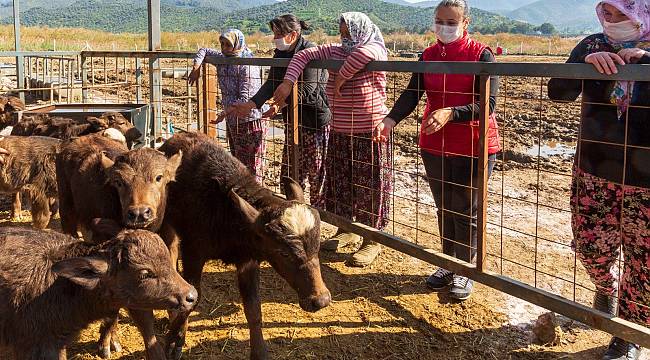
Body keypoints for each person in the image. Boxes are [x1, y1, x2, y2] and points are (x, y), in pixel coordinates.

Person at [374, 0, 500, 301]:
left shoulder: (482, 55)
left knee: (465, 210)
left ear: (465, 23)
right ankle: (447, 263)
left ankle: (465, 269)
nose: (444, 27)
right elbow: (413, 93)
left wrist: (450, 112)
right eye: (439, 21)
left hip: (473, 144)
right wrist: (390, 119)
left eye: (451, 22)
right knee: (444, 206)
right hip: (435, 144)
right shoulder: (427, 55)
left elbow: (488, 104)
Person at [548, 1, 650, 358]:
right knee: (591, 247)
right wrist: (581, 66)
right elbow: (557, 93)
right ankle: (604, 288)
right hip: (594, 170)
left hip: (647, 179)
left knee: (644, 263)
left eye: (618, 13)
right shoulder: (592, 45)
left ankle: (628, 335)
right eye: (604, 12)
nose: (608, 20)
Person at [272, 12, 392, 267]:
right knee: (341, 182)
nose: (344, 38)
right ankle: (345, 228)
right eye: (342, 33)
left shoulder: (374, 47)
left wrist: (343, 76)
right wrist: (288, 81)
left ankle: (372, 239)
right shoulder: (336, 50)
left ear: (361, 31)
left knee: (370, 186)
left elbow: (367, 54)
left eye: (348, 33)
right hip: (339, 128)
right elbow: (303, 55)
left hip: (368, 129)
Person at [229, 15, 331, 207]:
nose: (275, 37)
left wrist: (280, 104)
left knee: (316, 172)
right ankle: (295, 208)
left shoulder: (309, 50)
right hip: (292, 120)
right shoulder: (280, 54)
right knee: (291, 170)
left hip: (313, 120)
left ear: (293, 35)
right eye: (274, 33)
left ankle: (319, 213)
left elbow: (308, 88)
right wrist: (252, 104)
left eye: (278, 33)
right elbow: (271, 84)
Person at [189, 29, 268, 182]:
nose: (224, 48)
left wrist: (225, 113)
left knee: (252, 166)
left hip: (249, 120)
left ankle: (255, 199)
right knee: (237, 162)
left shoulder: (247, 64)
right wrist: (196, 67)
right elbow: (203, 50)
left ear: (237, 44)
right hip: (233, 119)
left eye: (228, 45)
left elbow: (247, 98)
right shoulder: (223, 58)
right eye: (222, 44)